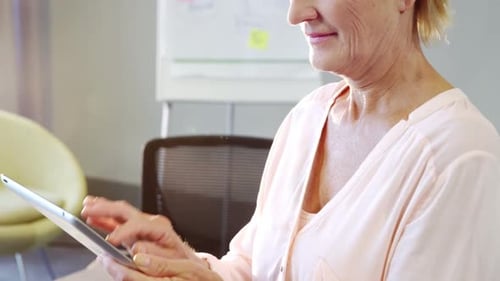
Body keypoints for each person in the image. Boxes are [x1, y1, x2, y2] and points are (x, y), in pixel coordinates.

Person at [81, 0, 500, 279]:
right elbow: (252, 267)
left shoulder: (457, 157)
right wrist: (189, 265)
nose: (296, 13)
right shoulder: (308, 117)